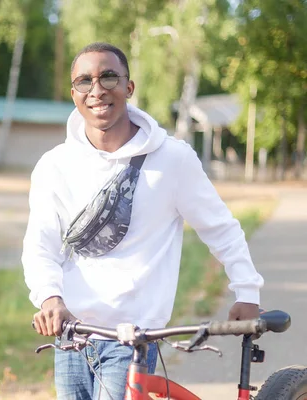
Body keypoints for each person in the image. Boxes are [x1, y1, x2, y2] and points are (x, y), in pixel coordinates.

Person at [21, 41, 264, 400]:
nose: (97, 90)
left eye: (108, 77)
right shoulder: (54, 165)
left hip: (133, 339)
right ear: (73, 93)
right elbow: (40, 245)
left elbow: (220, 227)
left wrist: (247, 290)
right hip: (72, 337)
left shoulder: (172, 159)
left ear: (128, 87)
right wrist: (49, 297)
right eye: (85, 81)